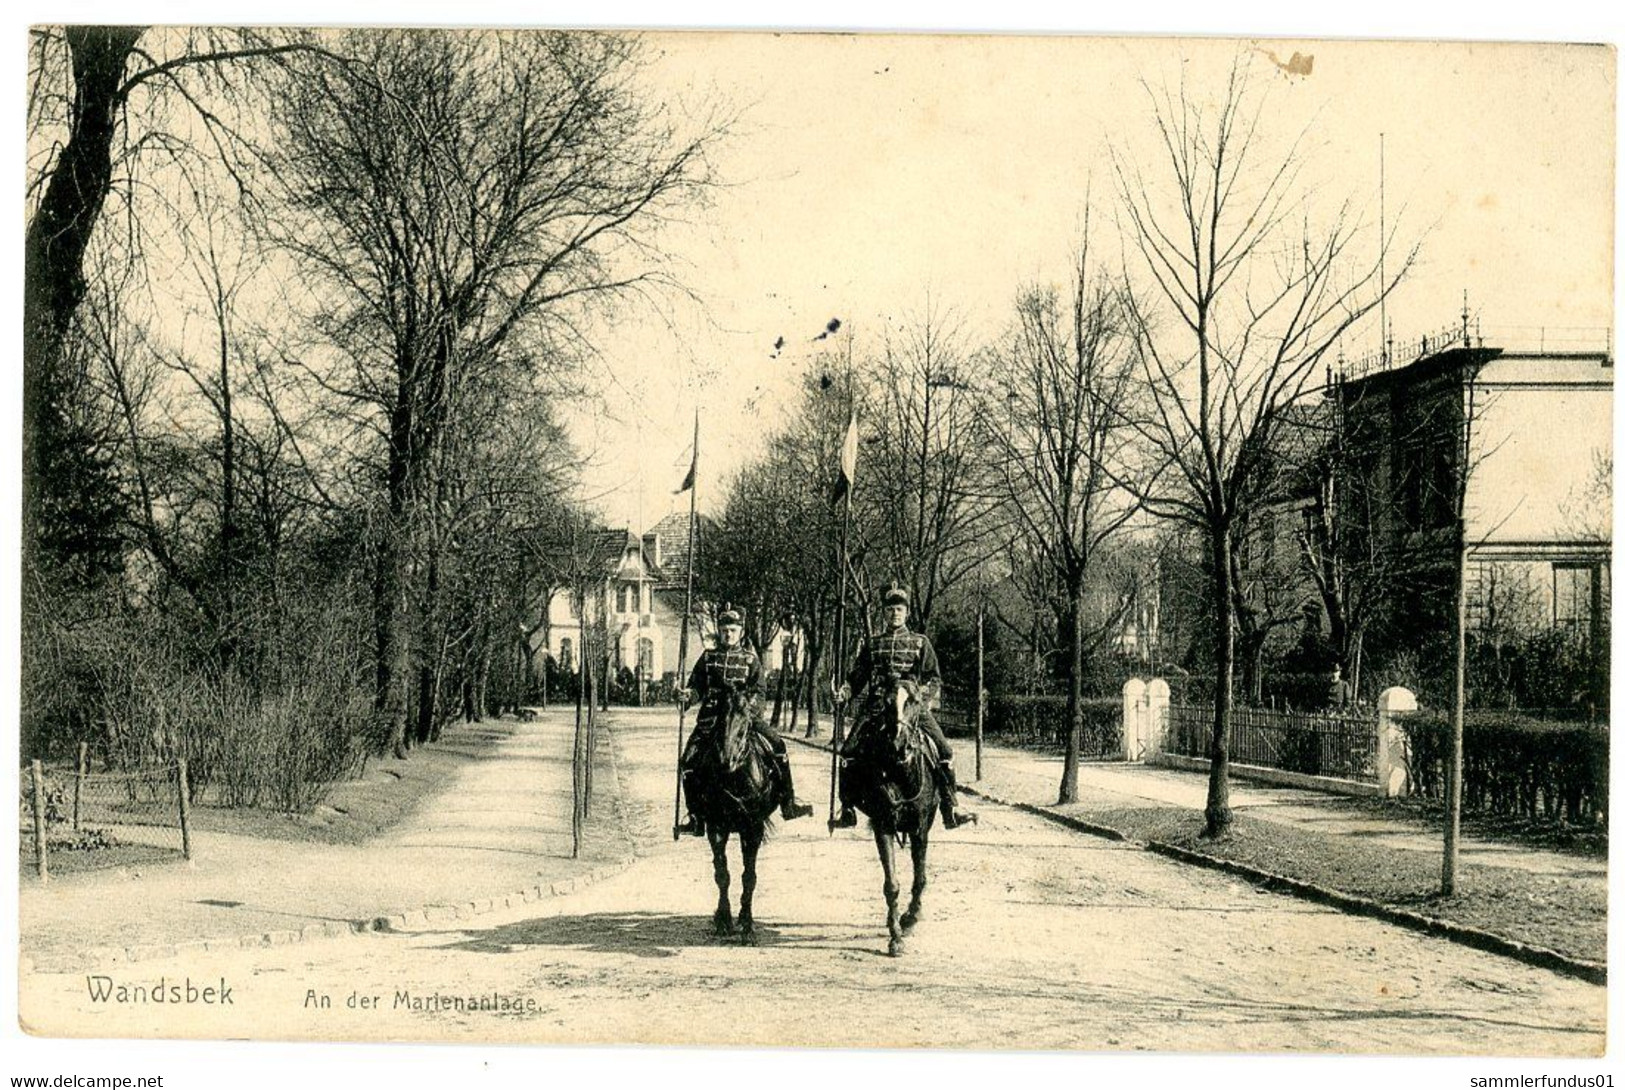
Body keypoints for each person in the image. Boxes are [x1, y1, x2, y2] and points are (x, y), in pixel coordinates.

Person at [831, 584, 977, 830]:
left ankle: (950, 807)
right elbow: (856, 678)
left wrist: (921, 697)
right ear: (884, 613)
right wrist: (843, 693)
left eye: (899, 609)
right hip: (877, 707)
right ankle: (847, 808)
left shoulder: (920, 643)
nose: (894, 614)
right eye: (890, 610)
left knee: (944, 750)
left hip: (911, 707)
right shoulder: (873, 644)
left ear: (906, 612)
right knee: (847, 752)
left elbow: (934, 678)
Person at [676, 607, 814, 836]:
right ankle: (695, 816)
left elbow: (760, 691)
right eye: (724, 630)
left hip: (743, 718)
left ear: (740, 632)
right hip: (711, 720)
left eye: (732, 630)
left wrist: (747, 710)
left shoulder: (750, 660)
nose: (728, 634)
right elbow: (697, 687)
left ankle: (788, 803)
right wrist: (686, 697)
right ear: (719, 632)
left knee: (778, 746)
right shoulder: (708, 658)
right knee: (688, 760)